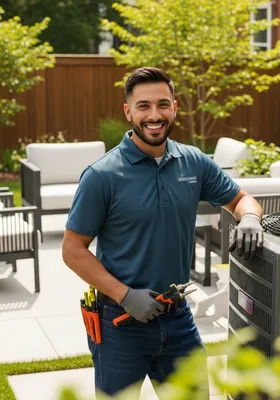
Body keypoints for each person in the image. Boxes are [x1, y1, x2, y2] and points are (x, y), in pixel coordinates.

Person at [62, 66, 264, 398]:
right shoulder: (101, 176)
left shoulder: (193, 162)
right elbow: (72, 250)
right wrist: (125, 295)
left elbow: (241, 200)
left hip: (178, 318)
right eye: (143, 106)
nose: (154, 115)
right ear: (128, 111)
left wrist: (251, 219)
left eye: (163, 104)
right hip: (120, 324)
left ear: (174, 108)